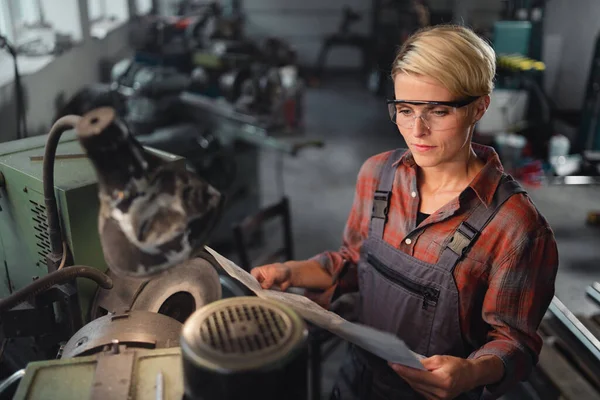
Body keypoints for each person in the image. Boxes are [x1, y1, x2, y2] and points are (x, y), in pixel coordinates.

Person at [251, 25, 558, 400]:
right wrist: (292, 272)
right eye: (405, 109)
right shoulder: (377, 175)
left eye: (438, 111)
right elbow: (354, 261)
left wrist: (473, 371)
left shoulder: (515, 227)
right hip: (357, 379)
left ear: (481, 106)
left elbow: (516, 341)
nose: (418, 130)